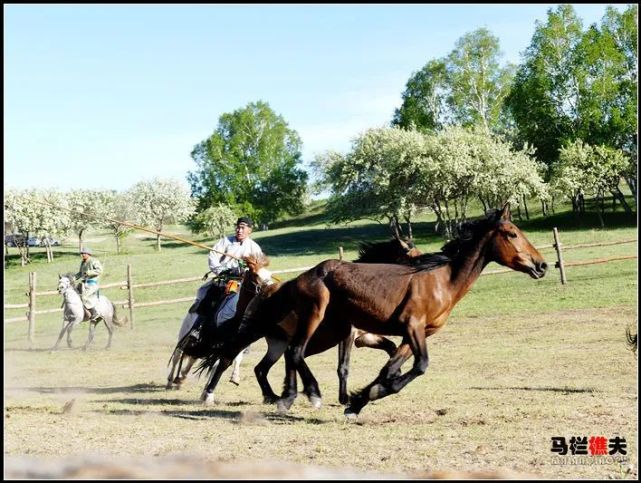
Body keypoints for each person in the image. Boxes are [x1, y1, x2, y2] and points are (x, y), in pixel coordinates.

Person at [188, 216, 263, 333]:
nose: (239, 230)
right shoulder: (225, 241)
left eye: (243, 228)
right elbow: (213, 257)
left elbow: (258, 267)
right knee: (209, 298)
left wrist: (246, 271)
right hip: (224, 280)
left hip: (243, 283)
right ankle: (198, 328)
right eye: (238, 227)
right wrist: (223, 271)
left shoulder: (254, 248)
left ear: (250, 230)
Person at [75, 247, 103, 323]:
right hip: (84, 283)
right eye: (82, 253)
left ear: (88, 254)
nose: (83, 255)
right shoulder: (83, 262)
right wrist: (73, 278)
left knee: (84, 296)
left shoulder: (94, 261)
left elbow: (100, 270)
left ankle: (94, 312)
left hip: (92, 283)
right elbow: (80, 273)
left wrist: (89, 272)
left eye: (84, 253)